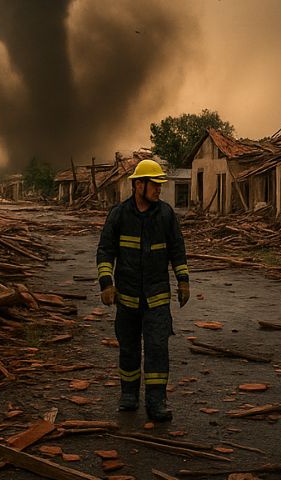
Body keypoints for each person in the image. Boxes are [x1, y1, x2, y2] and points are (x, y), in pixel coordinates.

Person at [96, 159, 190, 422]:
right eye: (155, 184)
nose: (159, 189)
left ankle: (156, 401)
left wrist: (183, 280)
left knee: (158, 347)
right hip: (126, 297)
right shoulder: (119, 215)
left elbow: (177, 250)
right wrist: (107, 283)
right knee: (128, 347)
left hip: (157, 297)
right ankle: (128, 394)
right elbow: (105, 251)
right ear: (139, 185)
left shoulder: (166, 215)